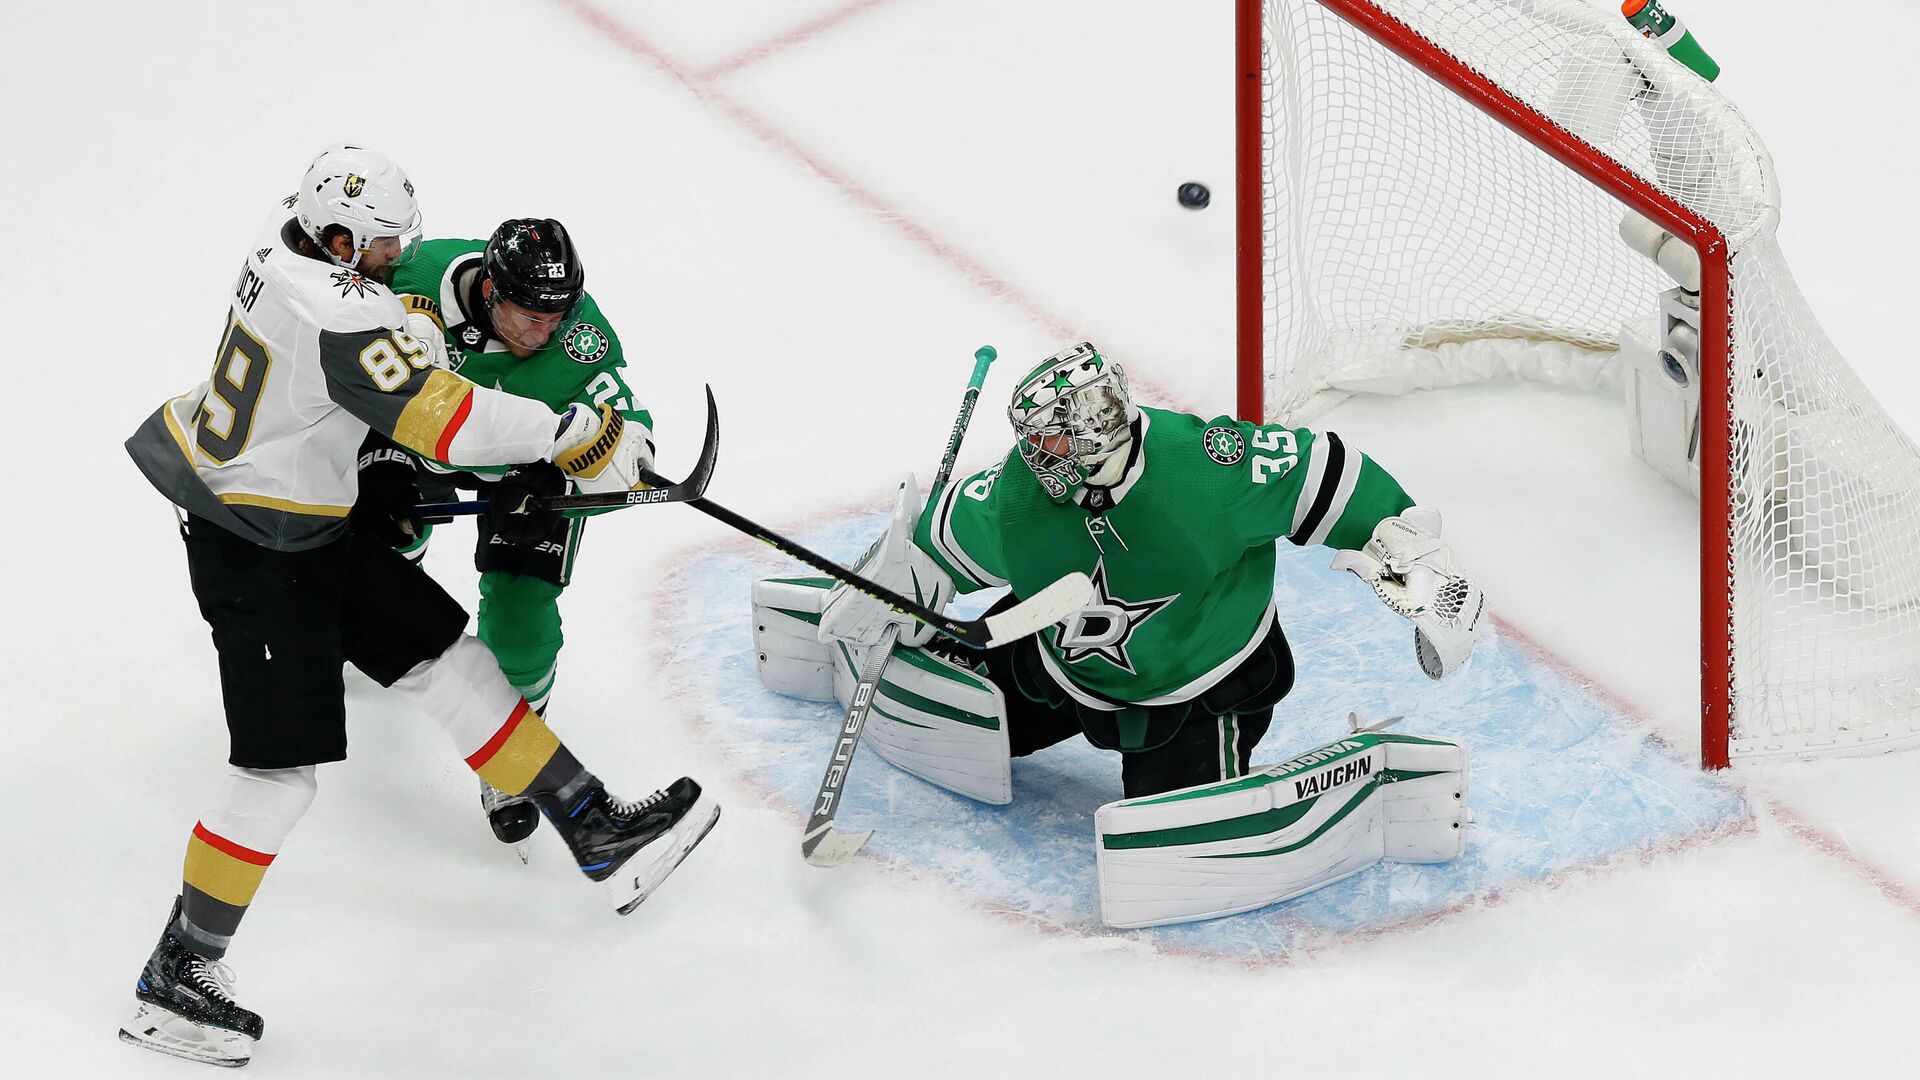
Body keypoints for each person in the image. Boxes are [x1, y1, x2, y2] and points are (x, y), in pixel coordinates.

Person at [117, 144, 719, 1068]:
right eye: (389, 245)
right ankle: (178, 971)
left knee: (452, 660)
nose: (405, 259)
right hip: (253, 540)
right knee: (278, 777)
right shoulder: (338, 305)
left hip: (305, 521)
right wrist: (570, 435)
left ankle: (593, 826)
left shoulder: (285, 260)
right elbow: (446, 417)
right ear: (341, 237)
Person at [815, 341, 1487, 801]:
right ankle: (973, 673)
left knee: (1167, 816)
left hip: (1198, 684)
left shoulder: (1205, 470)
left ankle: (1216, 780)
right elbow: (941, 535)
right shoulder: (1018, 495)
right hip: (1064, 663)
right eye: (1037, 437)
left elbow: (1322, 474)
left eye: (1057, 434)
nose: (1039, 452)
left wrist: (1416, 557)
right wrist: (889, 584)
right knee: (992, 700)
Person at [362, 217, 649, 850]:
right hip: (416, 432)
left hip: (523, 470)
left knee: (521, 623)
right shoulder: (412, 276)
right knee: (377, 542)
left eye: (556, 317)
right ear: (490, 288)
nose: (542, 332)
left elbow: (635, 460)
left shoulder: (581, 344)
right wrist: (373, 456)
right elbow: (337, 365)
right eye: (528, 317)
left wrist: (560, 480)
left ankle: (511, 766)